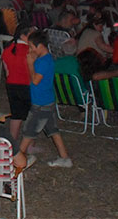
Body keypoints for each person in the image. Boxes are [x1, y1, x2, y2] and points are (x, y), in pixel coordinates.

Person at [19, 31, 72, 168]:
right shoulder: (45, 58)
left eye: (31, 47)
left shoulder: (43, 62)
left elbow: (36, 80)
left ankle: (17, 160)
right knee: (53, 131)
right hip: (47, 100)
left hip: (41, 104)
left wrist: (30, 63)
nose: (30, 50)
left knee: (28, 132)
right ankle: (65, 158)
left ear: (40, 46)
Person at [1, 25, 35, 140]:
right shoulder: (30, 51)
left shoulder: (7, 49)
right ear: (23, 36)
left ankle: (12, 141)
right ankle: (29, 144)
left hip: (11, 85)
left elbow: (6, 71)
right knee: (32, 116)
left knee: (16, 115)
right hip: (27, 86)